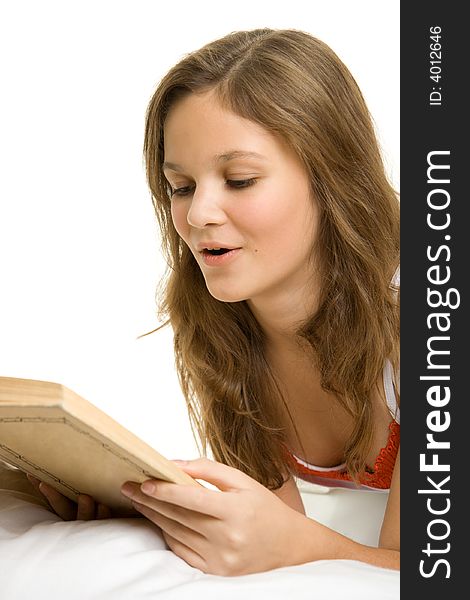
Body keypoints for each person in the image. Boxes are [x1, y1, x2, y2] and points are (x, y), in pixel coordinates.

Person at [27, 28, 400, 576]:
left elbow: (431, 565)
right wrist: (145, 506)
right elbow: (265, 542)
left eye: (240, 179)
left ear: (333, 179)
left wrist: (301, 546)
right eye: (180, 186)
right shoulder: (222, 319)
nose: (199, 214)